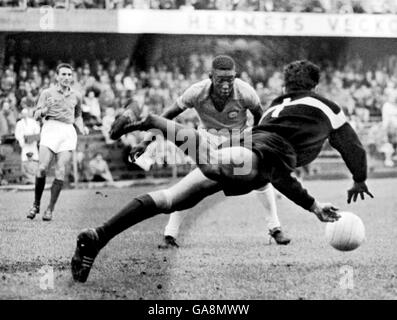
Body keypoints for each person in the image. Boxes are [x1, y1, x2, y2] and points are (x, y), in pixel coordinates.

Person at [71, 60, 373, 283]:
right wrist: (351, 183)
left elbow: (279, 164)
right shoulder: (326, 107)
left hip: (246, 153)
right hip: (252, 159)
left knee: (172, 200)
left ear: (284, 88)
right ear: (314, 86)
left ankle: (97, 237)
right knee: (213, 163)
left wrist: (316, 201)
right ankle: (151, 120)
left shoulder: (272, 108)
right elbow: (351, 146)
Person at [130, 55, 290, 248]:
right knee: (193, 186)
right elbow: (167, 116)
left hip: (239, 139)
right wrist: (146, 141)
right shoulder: (196, 92)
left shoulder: (246, 92)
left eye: (230, 79)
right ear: (210, 77)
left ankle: (275, 228)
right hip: (208, 139)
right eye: (220, 79)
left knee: (260, 180)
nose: (225, 85)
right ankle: (170, 235)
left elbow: (259, 116)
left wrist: (257, 142)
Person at [27, 63, 88, 221]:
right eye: (63, 74)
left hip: (67, 131)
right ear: (57, 76)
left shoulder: (77, 95)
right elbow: (35, 115)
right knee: (41, 168)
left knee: (60, 170)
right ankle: (36, 204)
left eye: (69, 74)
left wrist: (82, 127)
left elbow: (78, 115)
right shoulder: (47, 93)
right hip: (50, 129)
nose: (66, 77)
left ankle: (50, 209)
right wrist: (44, 111)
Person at [14, 108, 41, 184]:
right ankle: (27, 179)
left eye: (26, 113)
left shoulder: (33, 122)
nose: (25, 115)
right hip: (25, 144)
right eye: (23, 113)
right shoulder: (19, 123)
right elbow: (17, 134)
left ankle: (34, 178)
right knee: (25, 159)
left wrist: (33, 137)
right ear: (22, 114)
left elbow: (37, 130)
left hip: (32, 143)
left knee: (34, 159)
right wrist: (22, 139)